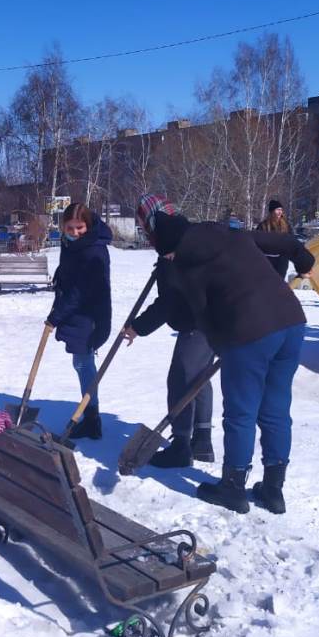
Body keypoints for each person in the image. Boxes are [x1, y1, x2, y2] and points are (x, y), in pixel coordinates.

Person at [121, 198, 315, 515]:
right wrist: (304, 260)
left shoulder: (185, 267)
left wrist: (226, 347)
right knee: (276, 408)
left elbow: (203, 317)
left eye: (166, 251)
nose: (168, 257)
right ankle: (273, 490)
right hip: (291, 322)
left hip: (249, 332)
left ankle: (233, 488)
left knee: (241, 413)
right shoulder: (229, 233)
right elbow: (285, 242)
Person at [126, 194, 217, 468]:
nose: (145, 230)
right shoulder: (186, 238)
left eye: (144, 224)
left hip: (197, 323)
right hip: (213, 319)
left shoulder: (172, 245)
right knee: (200, 378)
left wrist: (138, 327)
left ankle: (181, 445)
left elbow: (169, 301)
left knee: (180, 379)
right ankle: (202, 440)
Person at [46, 203, 111, 440]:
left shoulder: (93, 250)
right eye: (70, 228)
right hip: (77, 313)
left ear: (89, 225)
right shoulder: (72, 245)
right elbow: (68, 282)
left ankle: (92, 420)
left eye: (80, 227)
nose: (74, 232)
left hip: (90, 315)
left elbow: (81, 291)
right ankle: (91, 417)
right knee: (81, 364)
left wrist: (56, 316)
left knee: (84, 365)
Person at [257, 200, 292, 278]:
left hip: (282, 260)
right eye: (278, 210)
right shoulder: (263, 225)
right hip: (267, 260)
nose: (280, 212)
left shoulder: (286, 225)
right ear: (272, 211)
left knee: (279, 282)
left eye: (281, 210)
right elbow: (257, 241)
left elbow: (291, 240)